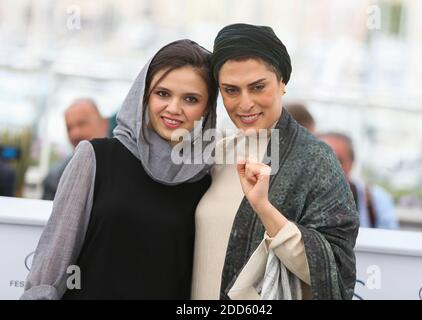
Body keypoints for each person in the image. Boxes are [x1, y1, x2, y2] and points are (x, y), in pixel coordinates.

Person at [21, 39, 218, 299]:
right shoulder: (95, 157)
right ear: (144, 94)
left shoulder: (206, 179)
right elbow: (51, 266)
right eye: (162, 93)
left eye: (190, 99)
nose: (173, 108)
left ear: (207, 108)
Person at [191, 23, 359, 300]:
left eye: (257, 87)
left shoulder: (315, 159)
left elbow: (337, 272)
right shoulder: (214, 154)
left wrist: (264, 209)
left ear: (282, 83)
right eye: (231, 90)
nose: (244, 104)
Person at [319, 132, 398, 229]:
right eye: (320, 161)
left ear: (352, 162)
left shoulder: (376, 200)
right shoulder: (298, 201)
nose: (328, 169)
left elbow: (388, 240)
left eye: (337, 161)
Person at [41, 99, 108, 200]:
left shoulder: (126, 169)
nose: (75, 134)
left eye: (82, 124)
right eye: (69, 128)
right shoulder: (55, 178)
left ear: (103, 124)